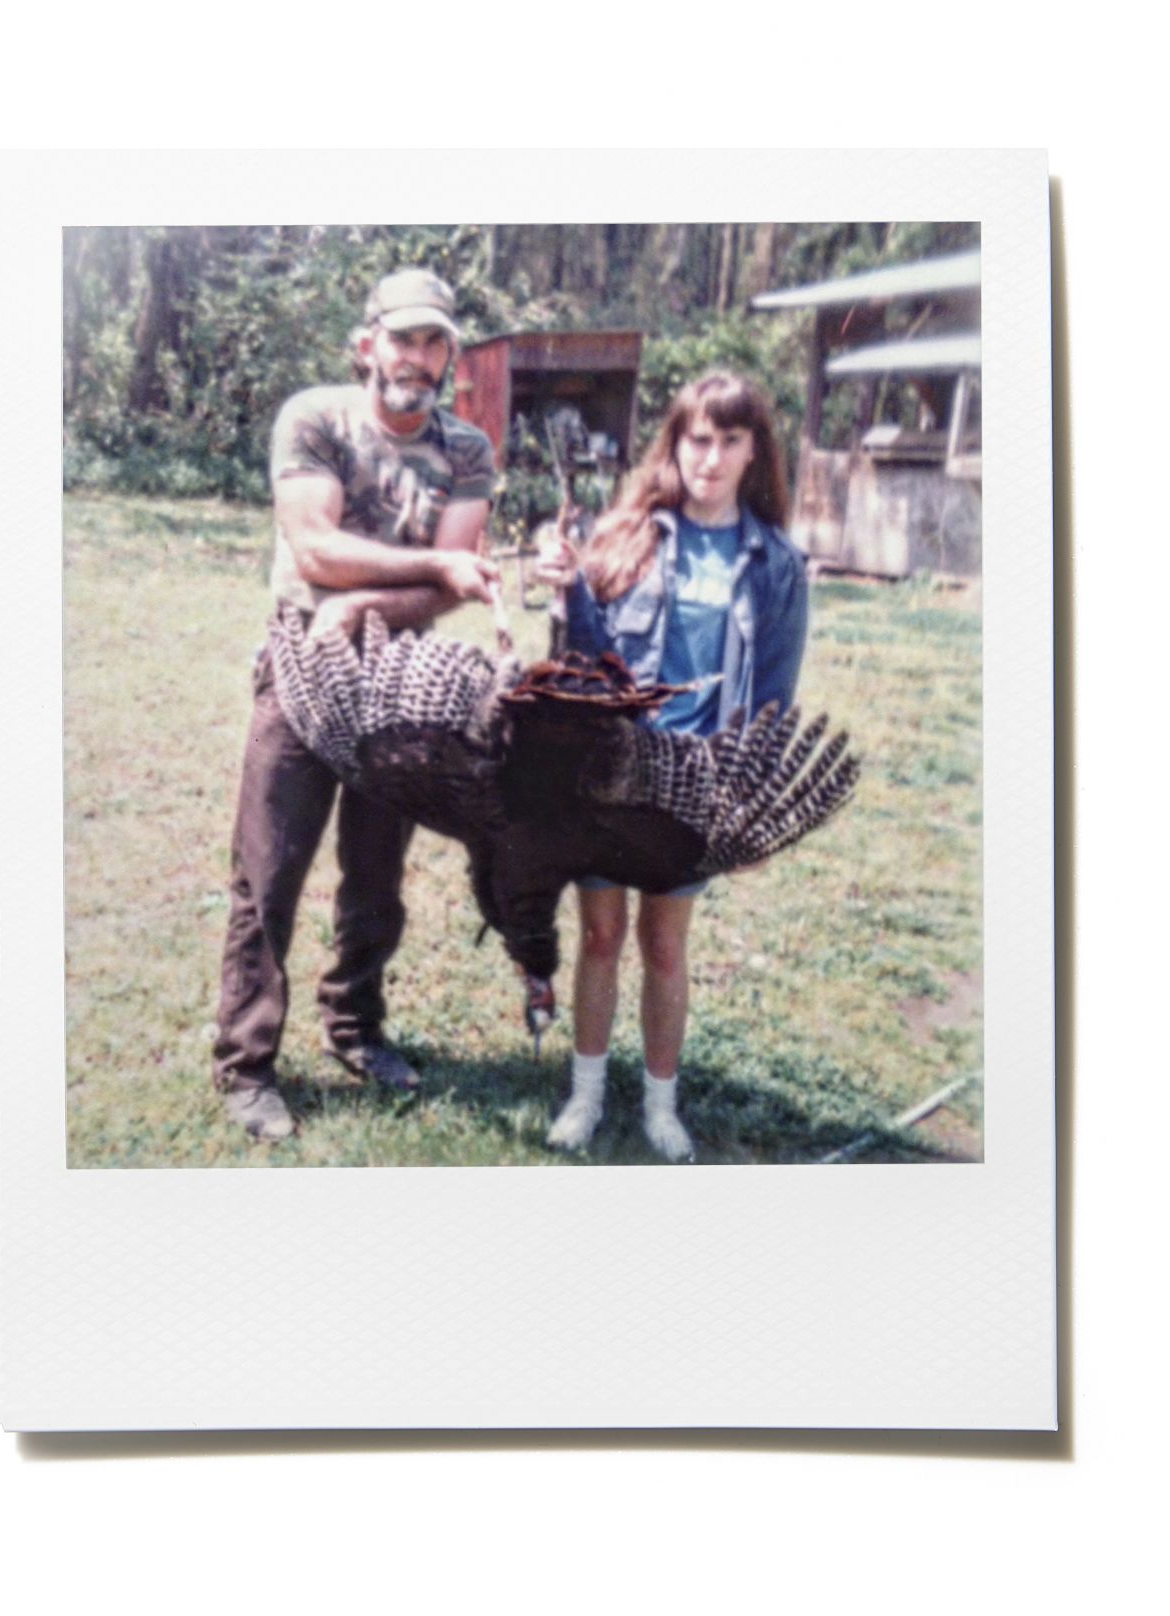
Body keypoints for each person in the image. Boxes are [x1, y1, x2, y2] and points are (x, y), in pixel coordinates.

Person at [214, 269, 499, 1141]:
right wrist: (423, 570)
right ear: (366, 341)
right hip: (303, 661)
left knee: (376, 871)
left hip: (401, 681)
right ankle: (246, 1062)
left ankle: (355, 1025)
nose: (417, 357)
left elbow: (454, 589)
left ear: (450, 354)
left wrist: (375, 602)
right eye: (402, 337)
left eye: (434, 341)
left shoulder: (469, 450)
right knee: (272, 869)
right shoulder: (315, 417)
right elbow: (316, 550)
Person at [536, 371, 810, 1162]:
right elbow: (583, 661)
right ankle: (585, 1096)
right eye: (699, 438)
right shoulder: (627, 533)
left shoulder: (776, 565)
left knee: (663, 943)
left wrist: (750, 806)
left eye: (730, 440)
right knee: (599, 933)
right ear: (677, 443)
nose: (712, 457)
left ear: (754, 450)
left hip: (696, 783)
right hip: (610, 770)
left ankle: (661, 1105)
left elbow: (772, 699)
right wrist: (568, 593)